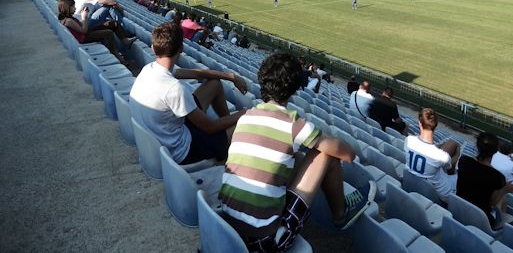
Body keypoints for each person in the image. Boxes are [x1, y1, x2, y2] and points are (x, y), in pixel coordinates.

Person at [219, 53, 376, 251]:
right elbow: (347, 154)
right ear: (294, 88)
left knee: (294, 155)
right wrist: (349, 150)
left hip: (226, 226)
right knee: (325, 154)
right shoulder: (291, 124)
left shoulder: (245, 117)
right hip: (264, 242)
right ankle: (340, 214)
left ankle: (337, 210)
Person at [129, 22, 248, 165]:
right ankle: (224, 143)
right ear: (181, 48)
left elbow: (195, 73)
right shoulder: (174, 89)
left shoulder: (149, 69)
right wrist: (245, 113)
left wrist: (230, 76)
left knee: (214, 83)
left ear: (153, 47)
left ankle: (225, 136)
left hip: (165, 134)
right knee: (244, 123)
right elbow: (210, 127)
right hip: (182, 150)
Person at [457, 132, 513, 227]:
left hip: (458, 209)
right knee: (502, 198)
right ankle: (499, 223)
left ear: (478, 146)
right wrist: (506, 189)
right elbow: (491, 203)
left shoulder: (464, 161)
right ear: (495, 151)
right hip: (481, 219)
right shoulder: (497, 177)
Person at [404, 108, 461, 203]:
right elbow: (448, 166)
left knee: (451, 143)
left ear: (419, 123)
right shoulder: (441, 156)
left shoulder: (409, 140)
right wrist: (458, 154)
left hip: (414, 182)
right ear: (436, 125)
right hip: (439, 192)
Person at [57, 0, 130, 60]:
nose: (75, 8)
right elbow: (84, 31)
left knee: (112, 23)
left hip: (86, 33)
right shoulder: (68, 21)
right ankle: (115, 53)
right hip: (84, 37)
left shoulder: (67, 18)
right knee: (108, 33)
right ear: (67, 8)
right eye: (73, 7)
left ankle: (125, 40)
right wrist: (84, 17)